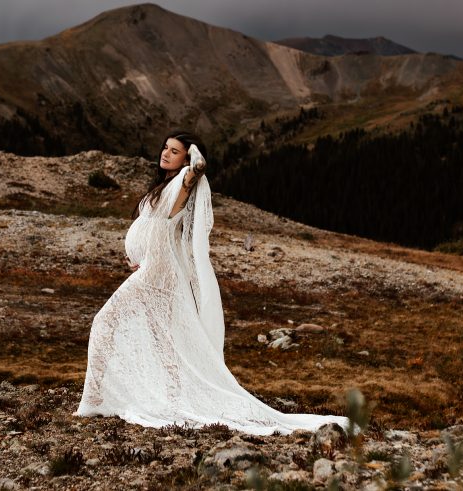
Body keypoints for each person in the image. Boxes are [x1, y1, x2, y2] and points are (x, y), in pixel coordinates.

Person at [75, 130, 350, 435]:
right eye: (165, 148)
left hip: (158, 273)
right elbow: (152, 230)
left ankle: (97, 398)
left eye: (174, 151)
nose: (165, 153)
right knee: (161, 338)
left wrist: (194, 160)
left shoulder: (182, 182)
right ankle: (155, 395)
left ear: (185, 158)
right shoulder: (163, 187)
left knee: (105, 321)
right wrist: (138, 255)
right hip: (153, 268)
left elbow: (196, 171)